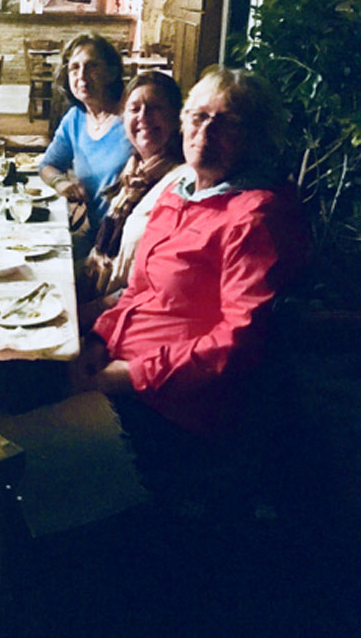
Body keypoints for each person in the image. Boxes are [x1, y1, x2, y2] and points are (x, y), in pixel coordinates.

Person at [72, 66, 306, 448]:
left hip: (175, 408)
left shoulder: (256, 217)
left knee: (16, 437)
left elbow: (237, 342)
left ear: (257, 137)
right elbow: (139, 292)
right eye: (198, 117)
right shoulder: (179, 194)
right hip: (119, 366)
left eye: (227, 122)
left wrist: (128, 375)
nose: (206, 131)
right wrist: (99, 339)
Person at [76, 71, 185, 331]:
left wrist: (90, 312)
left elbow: (156, 283)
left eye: (155, 108)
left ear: (176, 118)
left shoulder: (181, 183)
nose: (143, 117)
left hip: (126, 316)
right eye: (135, 108)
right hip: (99, 291)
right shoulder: (133, 173)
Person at [39, 33, 132, 254]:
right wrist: (61, 183)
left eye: (92, 66)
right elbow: (47, 166)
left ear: (112, 72)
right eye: (74, 68)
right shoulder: (75, 118)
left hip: (124, 242)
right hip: (96, 235)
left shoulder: (132, 119)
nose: (82, 76)